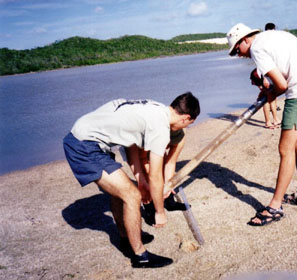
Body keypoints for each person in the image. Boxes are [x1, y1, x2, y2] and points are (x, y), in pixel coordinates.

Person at [63, 92, 200, 268]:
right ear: (186, 118)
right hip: (85, 145)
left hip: (88, 139)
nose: (186, 128)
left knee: (121, 192)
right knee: (132, 195)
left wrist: (140, 179)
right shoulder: (160, 127)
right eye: (190, 123)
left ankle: (126, 238)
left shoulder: (155, 108)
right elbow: (156, 175)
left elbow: (130, 141)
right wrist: (159, 211)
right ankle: (140, 255)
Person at [226, 23, 297, 226]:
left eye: (237, 49)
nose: (239, 54)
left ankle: (275, 206)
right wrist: (268, 91)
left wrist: (271, 93)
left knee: (285, 148)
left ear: (245, 39)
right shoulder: (272, 36)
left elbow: (282, 85)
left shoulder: (256, 49)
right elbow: (282, 71)